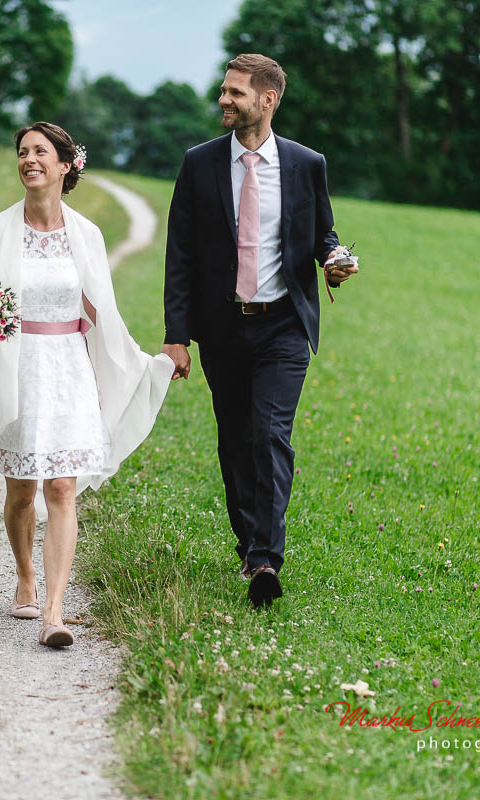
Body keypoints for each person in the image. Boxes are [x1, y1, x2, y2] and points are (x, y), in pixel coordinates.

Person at [0, 122, 174, 647]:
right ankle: (25, 577)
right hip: (17, 365)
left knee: (61, 487)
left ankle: (55, 611)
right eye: (22, 152)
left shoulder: (88, 235)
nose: (29, 160)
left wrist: (150, 361)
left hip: (69, 368)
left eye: (40, 152)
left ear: (65, 165)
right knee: (20, 491)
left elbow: (104, 311)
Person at [161, 54, 359, 608]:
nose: (224, 99)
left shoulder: (305, 164)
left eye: (236, 93)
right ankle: (249, 543)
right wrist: (178, 336)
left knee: (270, 435)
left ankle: (267, 558)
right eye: (224, 91)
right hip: (223, 327)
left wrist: (334, 260)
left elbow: (325, 233)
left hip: (283, 327)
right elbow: (180, 256)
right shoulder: (198, 164)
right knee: (235, 441)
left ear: (267, 100)